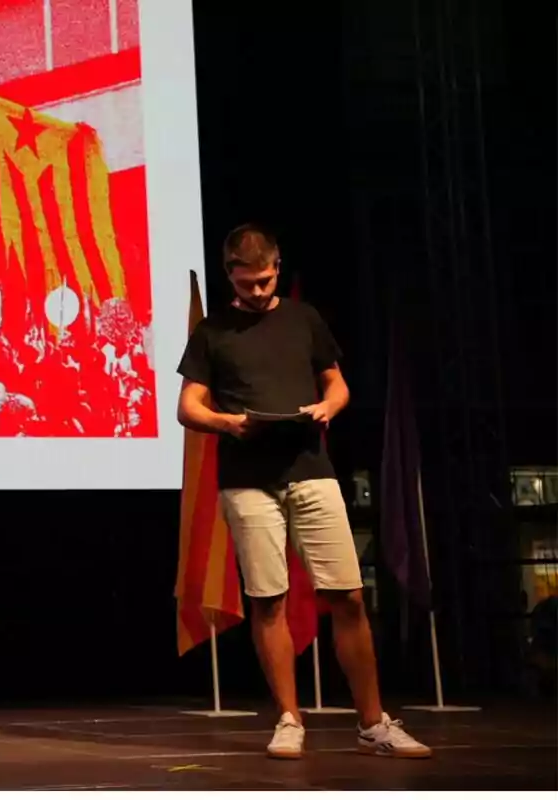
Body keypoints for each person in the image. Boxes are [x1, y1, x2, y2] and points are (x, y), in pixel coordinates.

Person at [176, 224, 432, 760]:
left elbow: (336, 383)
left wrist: (327, 408)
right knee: (268, 600)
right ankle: (290, 719)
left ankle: (373, 722)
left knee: (349, 596)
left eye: (265, 281)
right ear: (231, 276)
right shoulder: (213, 331)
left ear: (276, 268)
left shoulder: (303, 317)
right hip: (248, 480)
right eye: (247, 285)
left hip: (312, 469)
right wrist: (227, 423)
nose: (258, 292)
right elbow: (188, 407)